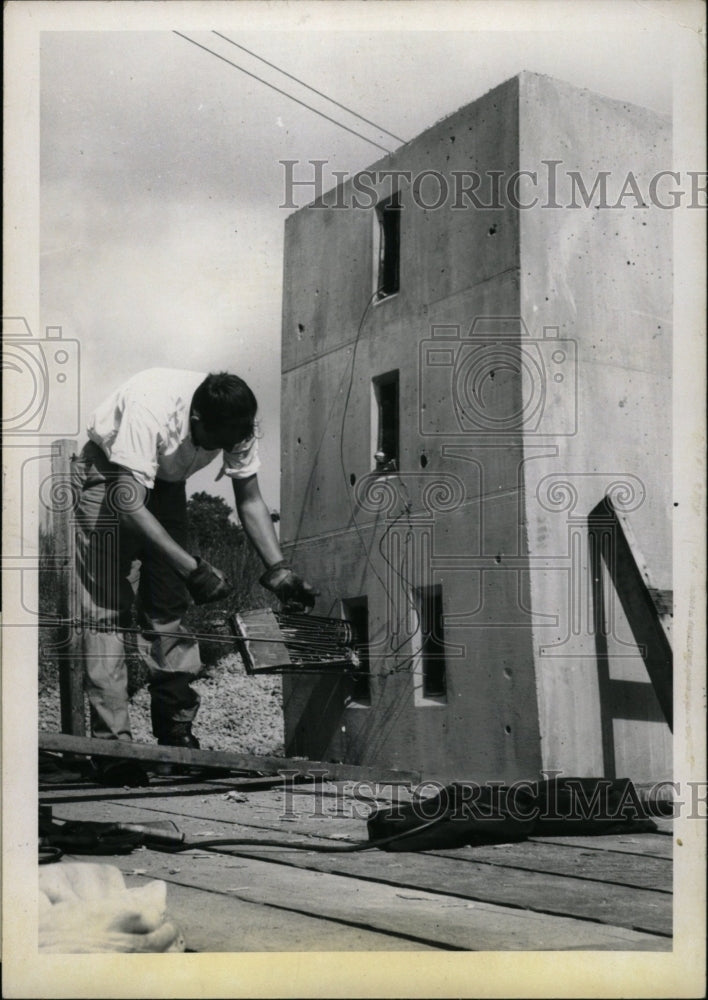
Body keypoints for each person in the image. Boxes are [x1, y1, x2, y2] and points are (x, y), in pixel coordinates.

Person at [70, 368, 315, 785]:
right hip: (109, 475)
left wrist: (279, 570)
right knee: (107, 612)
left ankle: (176, 737)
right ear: (197, 419)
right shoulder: (152, 410)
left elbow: (250, 497)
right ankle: (114, 750)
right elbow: (128, 504)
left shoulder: (236, 422)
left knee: (168, 610)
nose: (223, 449)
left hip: (166, 483)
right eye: (215, 442)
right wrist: (194, 568)